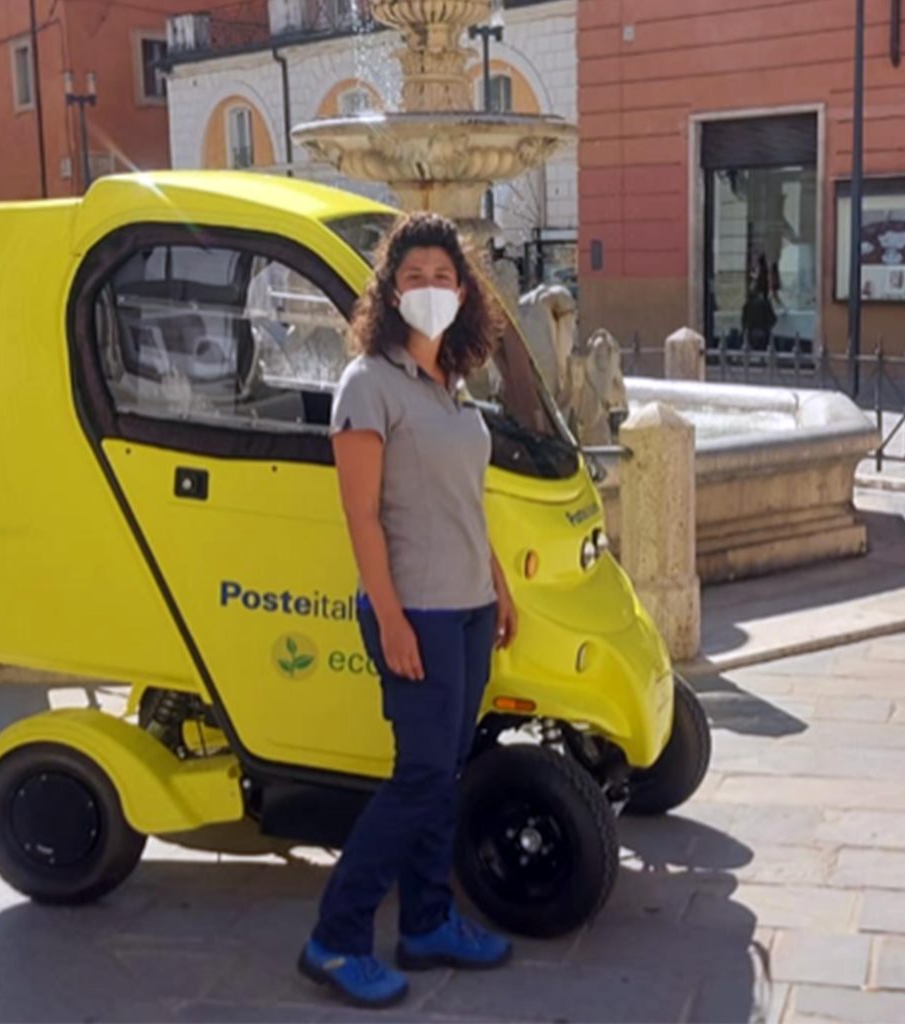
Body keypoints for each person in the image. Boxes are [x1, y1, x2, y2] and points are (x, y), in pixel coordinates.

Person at [299, 213, 518, 1009]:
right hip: (416, 612)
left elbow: (463, 502)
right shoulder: (369, 383)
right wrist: (389, 618)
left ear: (464, 293)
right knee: (419, 779)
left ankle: (426, 923)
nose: (430, 288)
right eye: (415, 276)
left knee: (440, 776)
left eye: (443, 277)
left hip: (467, 609)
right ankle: (336, 937)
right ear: (391, 293)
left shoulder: (450, 387)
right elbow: (361, 517)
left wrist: (497, 582)